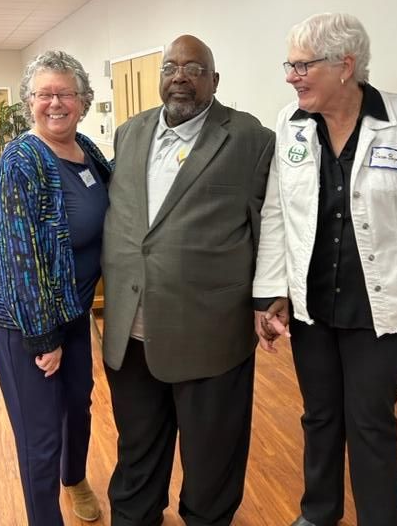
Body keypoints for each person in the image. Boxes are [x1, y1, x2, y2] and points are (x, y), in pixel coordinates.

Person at [253, 13, 397, 526]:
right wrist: (270, 291)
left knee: (370, 422)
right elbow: (278, 212)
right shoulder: (291, 122)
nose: (291, 76)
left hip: (383, 305)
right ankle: (319, 513)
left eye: (303, 65)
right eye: (290, 65)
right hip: (313, 303)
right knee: (320, 416)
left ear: (346, 65)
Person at [101, 34, 275, 526]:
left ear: (214, 80)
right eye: (170, 67)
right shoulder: (129, 133)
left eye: (194, 68)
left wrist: (269, 299)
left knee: (212, 455)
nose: (180, 76)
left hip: (209, 332)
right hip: (132, 331)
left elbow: (271, 228)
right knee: (138, 443)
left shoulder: (250, 139)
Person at [0, 51, 111, 525]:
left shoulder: (85, 149)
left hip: (73, 309)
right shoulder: (21, 161)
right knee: (41, 433)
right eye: (44, 94)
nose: (55, 103)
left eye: (65, 93)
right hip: (25, 320)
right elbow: (18, 258)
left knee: (78, 404)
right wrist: (43, 337)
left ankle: (75, 479)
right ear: (29, 101)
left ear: (83, 100)